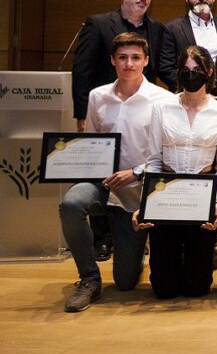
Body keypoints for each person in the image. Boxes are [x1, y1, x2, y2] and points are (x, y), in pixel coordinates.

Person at [60, 32, 174, 312]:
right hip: (104, 184)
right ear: (112, 60)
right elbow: (94, 145)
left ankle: (136, 255)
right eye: (122, 57)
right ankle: (89, 278)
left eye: (136, 57)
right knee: (71, 203)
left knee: (125, 282)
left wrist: (135, 172)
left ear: (146, 61)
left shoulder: (163, 100)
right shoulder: (98, 97)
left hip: (139, 190)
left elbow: (169, 155)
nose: (129, 64)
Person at [70, 0, 165, 261]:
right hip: (105, 109)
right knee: (101, 173)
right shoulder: (98, 24)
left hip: (142, 108)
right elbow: (82, 69)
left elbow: (160, 69)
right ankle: (103, 236)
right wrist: (81, 114)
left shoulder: (157, 29)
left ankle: (138, 237)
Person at [137, 46, 217, 299]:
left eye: (197, 71)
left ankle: (205, 252)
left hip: (201, 196)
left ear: (209, 72)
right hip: (166, 193)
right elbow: (153, 161)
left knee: (196, 289)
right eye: (186, 71)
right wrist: (146, 204)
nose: (191, 76)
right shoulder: (161, 108)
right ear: (178, 73)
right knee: (164, 290)